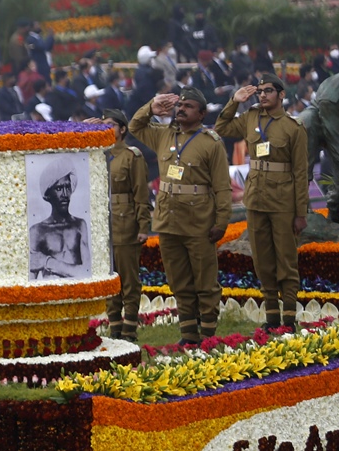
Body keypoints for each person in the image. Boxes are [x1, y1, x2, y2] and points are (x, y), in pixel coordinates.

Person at [129, 88, 230, 345]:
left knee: (205, 282)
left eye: (189, 106)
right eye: (180, 104)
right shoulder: (164, 135)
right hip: (168, 221)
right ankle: (188, 336)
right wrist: (152, 105)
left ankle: (207, 337)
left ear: (202, 113)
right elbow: (134, 126)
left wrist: (221, 222)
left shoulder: (211, 143)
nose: (182, 108)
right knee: (179, 281)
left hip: (199, 222)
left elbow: (222, 187)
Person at [214, 74, 309, 331]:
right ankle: (271, 317)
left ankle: (289, 318)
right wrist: (234, 101)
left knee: (286, 260)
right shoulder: (250, 118)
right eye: (260, 92)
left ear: (281, 94)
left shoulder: (293, 127)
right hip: (256, 200)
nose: (263, 95)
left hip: (283, 203)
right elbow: (221, 128)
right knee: (263, 260)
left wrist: (301, 213)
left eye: (269, 90)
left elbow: (301, 172)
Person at [95, 110, 150, 341]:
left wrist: (144, 226)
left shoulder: (131, 156)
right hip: (104, 227)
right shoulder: (99, 154)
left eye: (112, 124)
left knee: (129, 280)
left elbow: (140, 193)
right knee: (110, 279)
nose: (108, 128)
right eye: (104, 124)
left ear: (123, 129)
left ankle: (129, 328)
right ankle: (114, 326)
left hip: (126, 223)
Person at [28, 158, 91, 280]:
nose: (65, 194)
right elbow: (31, 279)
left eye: (68, 187)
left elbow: (87, 272)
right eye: (59, 188)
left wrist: (47, 262)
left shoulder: (79, 225)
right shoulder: (37, 231)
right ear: (48, 194)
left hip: (78, 291)